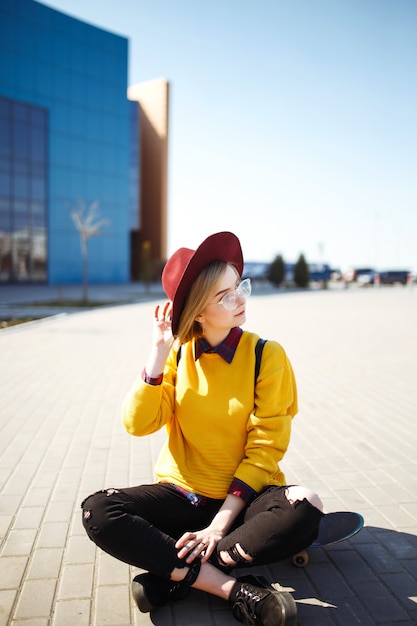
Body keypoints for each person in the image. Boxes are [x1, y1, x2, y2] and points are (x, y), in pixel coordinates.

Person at [81, 231, 324, 626]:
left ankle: (176, 578)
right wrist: (158, 353)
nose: (241, 299)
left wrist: (217, 526)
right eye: (226, 295)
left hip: (243, 504)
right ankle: (233, 589)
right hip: (183, 497)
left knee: (305, 505)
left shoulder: (266, 355)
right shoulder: (177, 355)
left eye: (240, 286)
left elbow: (265, 449)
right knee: (99, 511)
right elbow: (137, 423)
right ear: (197, 312)